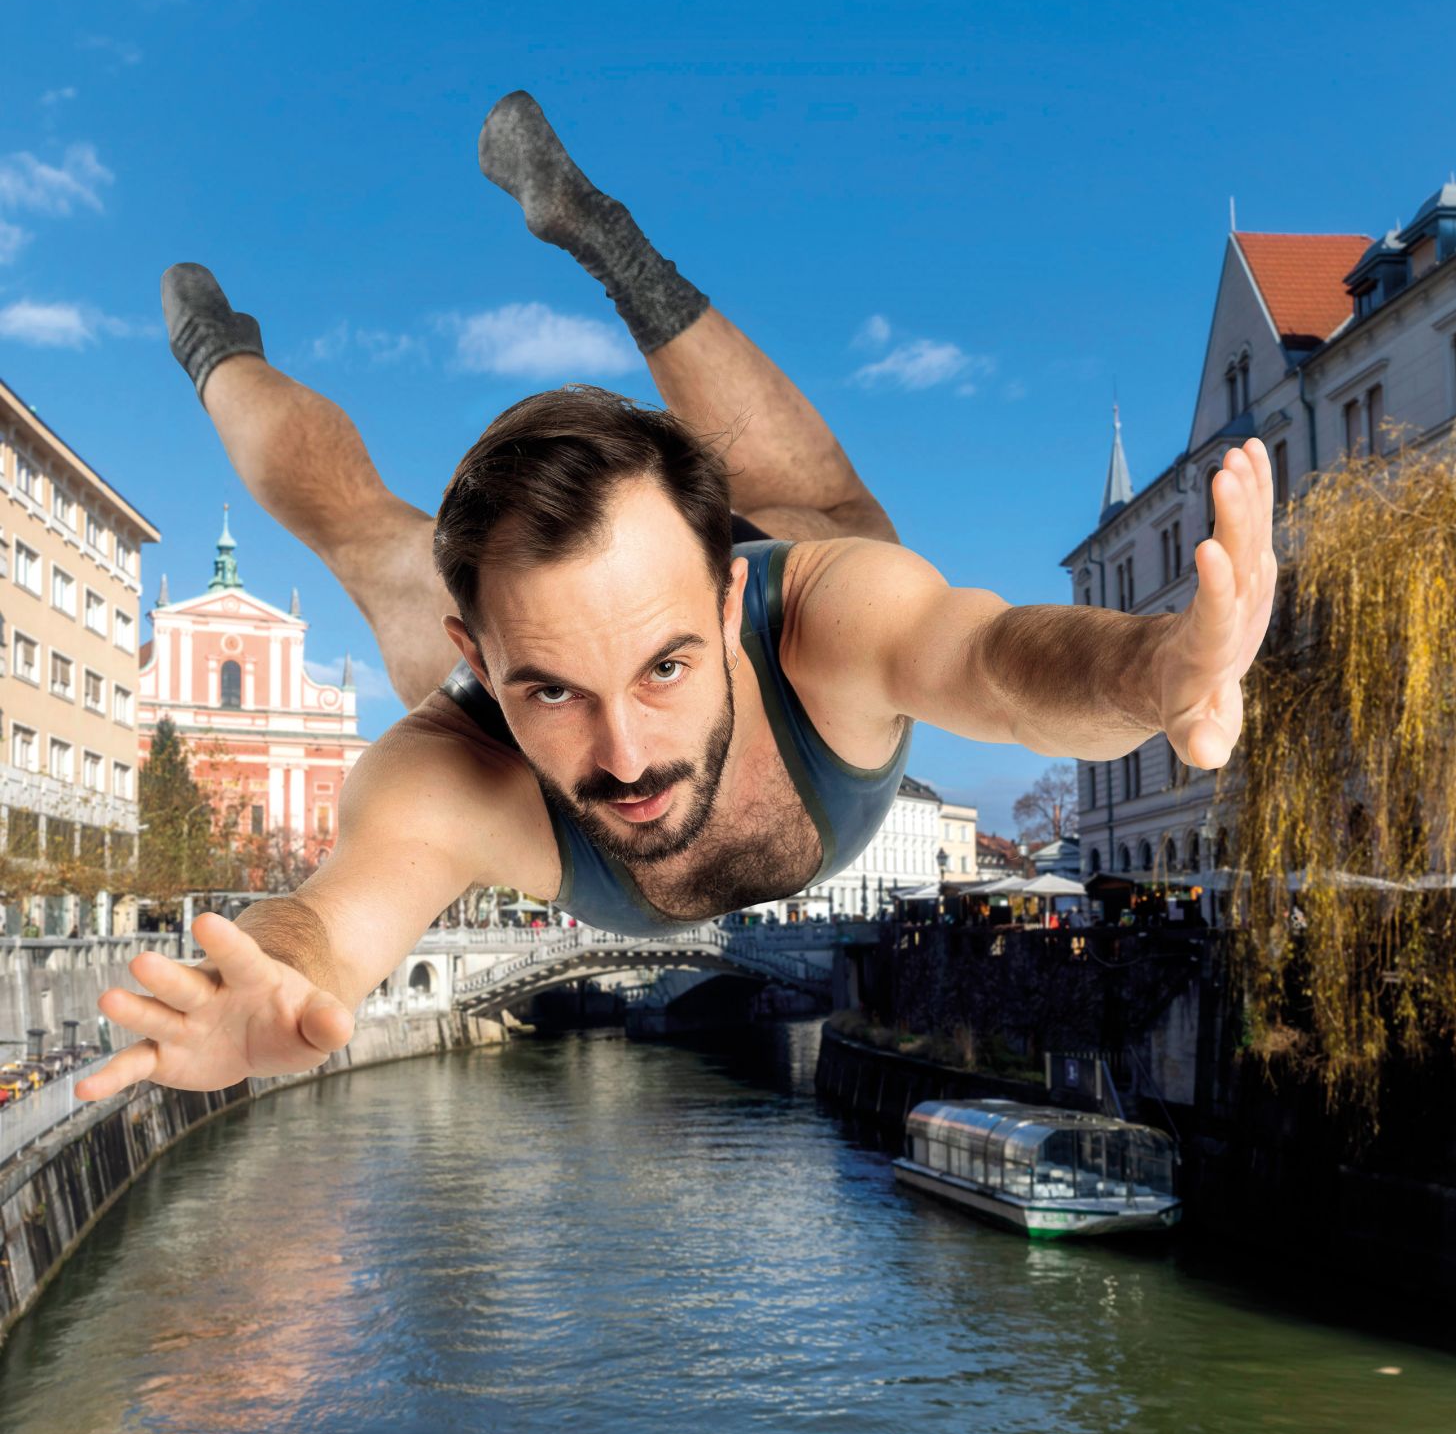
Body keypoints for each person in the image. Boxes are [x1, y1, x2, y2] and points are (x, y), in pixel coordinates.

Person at [78, 89, 1278, 1105]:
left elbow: (1001, 663)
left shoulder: (821, 615)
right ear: (482, 661)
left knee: (827, 513)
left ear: (725, 606)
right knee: (356, 530)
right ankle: (214, 355)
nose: (626, 755)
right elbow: (330, 923)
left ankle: (610, 243)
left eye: (662, 667)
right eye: (550, 688)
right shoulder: (453, 764)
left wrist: (1156, 668)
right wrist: (273, 973)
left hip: (797, 593)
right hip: (571, 631)